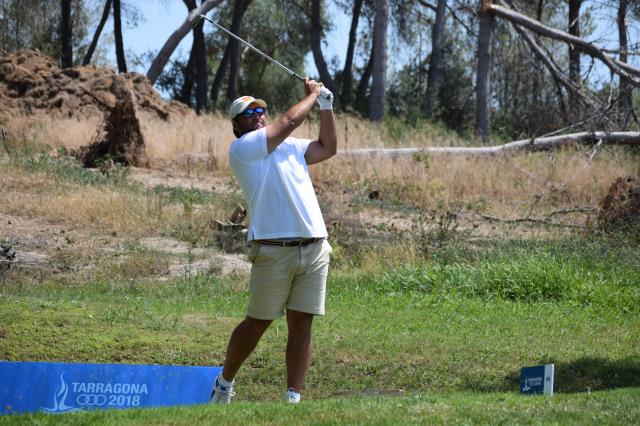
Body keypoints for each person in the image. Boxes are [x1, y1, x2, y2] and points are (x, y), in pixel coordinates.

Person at [210, 77, 337, 404]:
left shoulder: (291, 147)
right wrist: (311, 95)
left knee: (302, 324)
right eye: (248, 111)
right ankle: (224, 384)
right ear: (236, 124)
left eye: (260, 109)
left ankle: (292, 399)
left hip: (314, 247)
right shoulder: (243, 149)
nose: (257, 113)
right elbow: (290, 120)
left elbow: (328, 147)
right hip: (273, 250)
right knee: (258, 323)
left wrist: (326, 106)